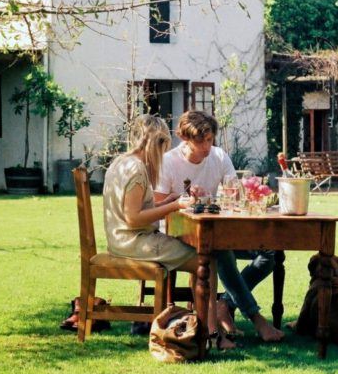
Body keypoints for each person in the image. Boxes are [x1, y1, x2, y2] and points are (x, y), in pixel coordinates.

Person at [103, 114, 235, 349]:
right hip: (133, 241)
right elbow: (133, 219)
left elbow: (135, 210)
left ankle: (203, 326)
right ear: (158, 142)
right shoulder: (137, 170)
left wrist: (172, 198)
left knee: (201, 256)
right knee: (206, 260)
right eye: (164, 145)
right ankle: (212, 333)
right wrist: (174, 206)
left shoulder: (122, 162)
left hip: (120, 239)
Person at [154, 110, 284, 343]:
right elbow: (157, 205)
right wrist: (183, 197)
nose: (206, 146)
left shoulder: (219, 157)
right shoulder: (169, 162)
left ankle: (225, 304)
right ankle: (257, 319)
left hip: (220, 229)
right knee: (220, 251)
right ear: (184, 137)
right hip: (180, 233)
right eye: (200, 141)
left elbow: (236, 194)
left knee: (269, 253)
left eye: (210, 139)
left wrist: (229, 197)